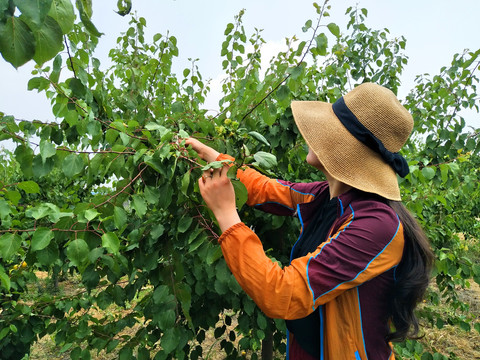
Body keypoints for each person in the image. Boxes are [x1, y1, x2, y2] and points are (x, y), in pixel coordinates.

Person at [185, 83, 433, 360]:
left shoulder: (375, 224)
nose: (313, 133)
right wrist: (216, 158)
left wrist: (226, 214)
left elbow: (281, 293)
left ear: (345, 147)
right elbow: (268, 189)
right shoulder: (326, 195)